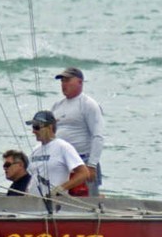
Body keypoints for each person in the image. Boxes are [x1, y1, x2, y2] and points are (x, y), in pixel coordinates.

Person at [51, 66, 104, 197]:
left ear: (80, 82)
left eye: (68, 80)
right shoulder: (57, 106)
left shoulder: (88, 104)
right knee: (61, 198)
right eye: (62, 81)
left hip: (83, 161)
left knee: (86, 200)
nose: (64, 84)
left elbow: (97, 136)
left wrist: (92, 165)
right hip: (62, 162)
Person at [25, 110, 88, 199]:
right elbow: (32, 177)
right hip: (33, 203)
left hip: (53, 204)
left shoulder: (63, 146)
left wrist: (60, 189)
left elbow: (83, 173)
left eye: (37, 127)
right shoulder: (35, 150)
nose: (33, 131)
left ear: (50, 127)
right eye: (33, 127)